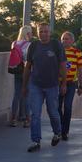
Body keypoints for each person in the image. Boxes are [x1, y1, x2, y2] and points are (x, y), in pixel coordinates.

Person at [22, 23, 66, 153]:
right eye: (41, 32)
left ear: (50, 32)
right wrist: (24, 86)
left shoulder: (56, 45)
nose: (44, 34)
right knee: (35, 114)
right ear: (37, 33)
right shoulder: (33, 46)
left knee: (53, 112)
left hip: (52, 85)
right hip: (36, 85)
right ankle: (36, 141)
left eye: (46, 31)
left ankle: (57, 133)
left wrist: (64, 83)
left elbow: (63, 65)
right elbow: (27, 67)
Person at [59, 32, 82, 140]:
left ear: (72, 41)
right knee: (57, 107)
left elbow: (80, 70)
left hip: (71, 84)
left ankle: (65, 131)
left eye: (67, 39)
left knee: (68, 107)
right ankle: (59, 128)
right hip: (58, 83)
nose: (65, 41)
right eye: (63, 39)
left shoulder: (77, 53)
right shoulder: (58, 51)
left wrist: (81, 85)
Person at [9, 25, 32, 128]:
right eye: (31, 32)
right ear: (27, 34)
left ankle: (13, 119)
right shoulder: (29, 45)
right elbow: (29, 60)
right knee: (26, 96)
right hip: (26, 72)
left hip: (16, 71)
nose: (32, 34)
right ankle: (27, 120)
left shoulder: (14, 43)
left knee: (16, 95)